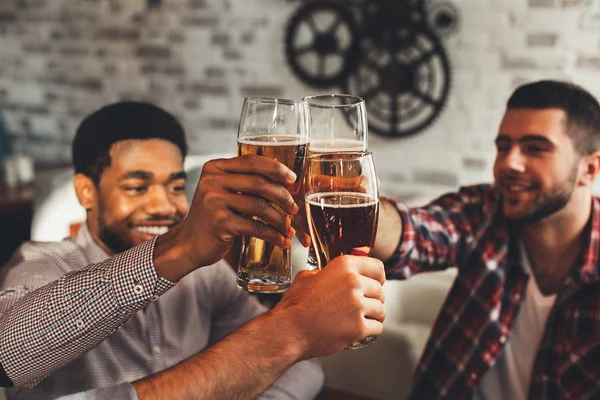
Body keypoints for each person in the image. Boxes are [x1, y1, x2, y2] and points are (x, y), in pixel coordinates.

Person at [0, 102, 386, 400]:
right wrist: (177, 247)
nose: (163, 206)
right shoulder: (41, 260)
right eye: (137, 187)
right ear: (86, 191)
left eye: (174, 186)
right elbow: (9, 351)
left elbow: (303, 370)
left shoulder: (205, 276)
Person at [369, 80, 600, 400]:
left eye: (535, 148)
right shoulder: (486, 210)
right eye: (503, 146)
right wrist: (355, 205)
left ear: (590, 169)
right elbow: (415, 233)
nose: (509, 163)